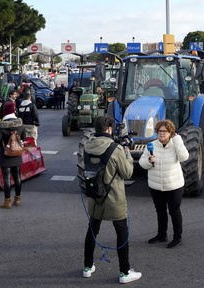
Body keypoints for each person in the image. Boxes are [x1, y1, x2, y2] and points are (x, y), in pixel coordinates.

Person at [81, 115, 141, 284]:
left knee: (92, 229)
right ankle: (124, 272)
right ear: (108, 129)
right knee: (121, 231)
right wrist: (127, 152)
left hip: (94, 196)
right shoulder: (116, 149)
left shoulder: (87, 146)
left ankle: (87, 267)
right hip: (113, 197)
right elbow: (127, 173)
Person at [138, 119, 188, 249]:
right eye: (160, 131)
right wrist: (149, 160)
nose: (162, 133)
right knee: (160, 211)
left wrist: (177, 140)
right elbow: (142, 163)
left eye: (165, 131)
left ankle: (177, 237)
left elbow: (184, 157)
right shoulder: (151, 145)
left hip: (174, 185)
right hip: (156, 185)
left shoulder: (176, 144)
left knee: (174, 211)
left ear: (171, 132)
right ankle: (161, 235)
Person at [0, 101, 26, 209]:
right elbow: (23, 139)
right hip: (17, 154)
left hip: (5, 154)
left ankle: (7, 202)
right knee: (17, 177)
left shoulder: (1, 126)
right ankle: (18, 199)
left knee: (7, 178)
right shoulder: (20, 125)